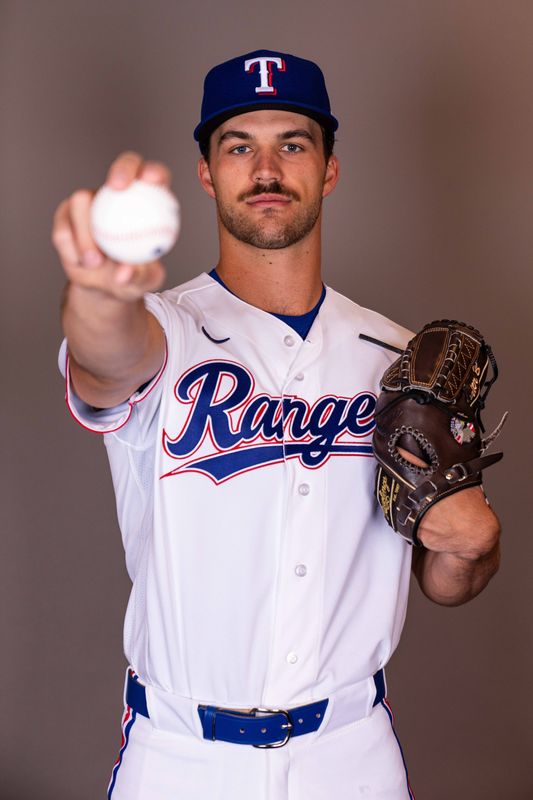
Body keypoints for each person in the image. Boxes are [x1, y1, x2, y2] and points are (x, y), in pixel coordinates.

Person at [53, 50, 501, 800]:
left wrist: (473, 548)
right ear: (206, 173)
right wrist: (99, 293)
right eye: (239, 147)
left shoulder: (398, 358)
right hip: (180, 759)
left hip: (349, 755)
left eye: (291, 144)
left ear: (327, 169)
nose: (266, 168)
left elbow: (446, 581)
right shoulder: (161, 329)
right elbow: (105, 357)